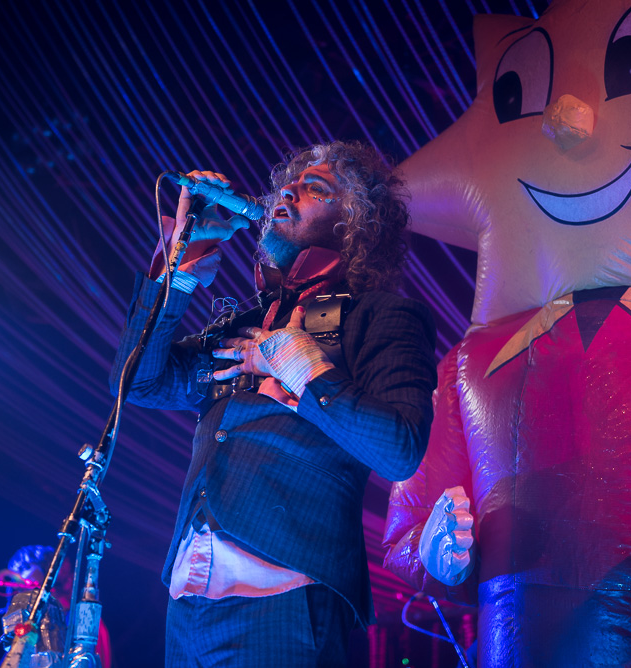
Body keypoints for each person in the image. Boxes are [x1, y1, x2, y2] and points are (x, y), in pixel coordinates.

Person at [110, 140, 438, 666]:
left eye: (316, 188)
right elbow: (138, 383)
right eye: (288, 182)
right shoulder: (245, 323)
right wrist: (179, 267)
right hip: (188, 597)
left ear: (357, 224)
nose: (287, 190)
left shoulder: (380, 316)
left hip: (284, 595)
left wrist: (298, 364)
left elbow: (400, 448)